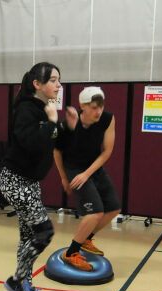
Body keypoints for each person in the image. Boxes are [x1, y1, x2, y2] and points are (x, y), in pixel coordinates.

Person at [0, 62, 77, 291]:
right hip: (15, 181)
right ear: (37, 84)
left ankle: (24, 284)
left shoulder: (43, 108)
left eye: (58, 80)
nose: (58, 85)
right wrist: (53, 122)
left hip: (30, 182)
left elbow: (51, 141)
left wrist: (66, 127)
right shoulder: (26, 109)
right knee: (44, 232)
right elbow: (32, 142)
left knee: (28, 235)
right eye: (53, 80)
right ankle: (17, 280)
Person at [52, 86, 120, 271]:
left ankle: (86, 240)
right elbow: (57, 152)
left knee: (114, 208)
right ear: (82, 105)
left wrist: (88, 173)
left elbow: (107, 151)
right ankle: (71, 252)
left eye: (101, 106)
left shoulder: (107, 119)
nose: (98, 111)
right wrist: (64, 178)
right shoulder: (67, 126)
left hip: (92, 167)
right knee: (95, 213)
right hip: (73, 168)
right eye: (94, 107)